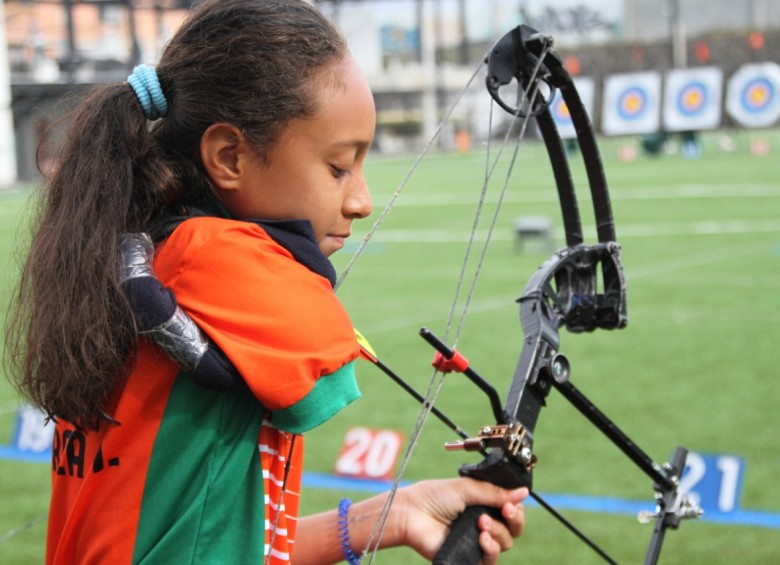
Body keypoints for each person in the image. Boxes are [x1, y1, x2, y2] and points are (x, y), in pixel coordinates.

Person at [4, 1, 527, 563]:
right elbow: (318, 366)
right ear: (230, 156)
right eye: (337, 167)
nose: (361, 201)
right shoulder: (215, 254)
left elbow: (218, 543)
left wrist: (389, 515)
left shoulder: (150, 246)